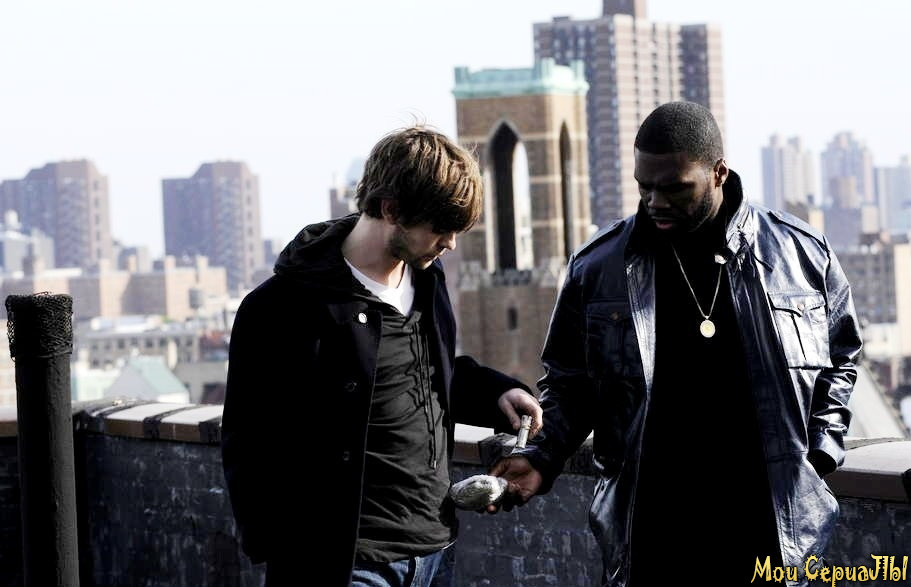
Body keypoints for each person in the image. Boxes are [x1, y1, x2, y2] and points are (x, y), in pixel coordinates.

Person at [489, 101, 862, 585]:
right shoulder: (598, 268)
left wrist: (820, 452)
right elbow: (569, 385)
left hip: (771, 530)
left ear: (718, 172)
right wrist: (542, 458)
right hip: (653, 533)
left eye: (675, 187)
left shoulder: (800, 253)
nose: (656, 201)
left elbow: (841, 356)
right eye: (644, 187)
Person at [220, 124, 542, 587]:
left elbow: (422, 373)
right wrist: (292, 551)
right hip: (344, 563)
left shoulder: (427, 279)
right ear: (391, 210)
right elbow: (247, 438)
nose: (450, 243)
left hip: (434, 550)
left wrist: (496, 392)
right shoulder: (282, 306)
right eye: (440, 228)